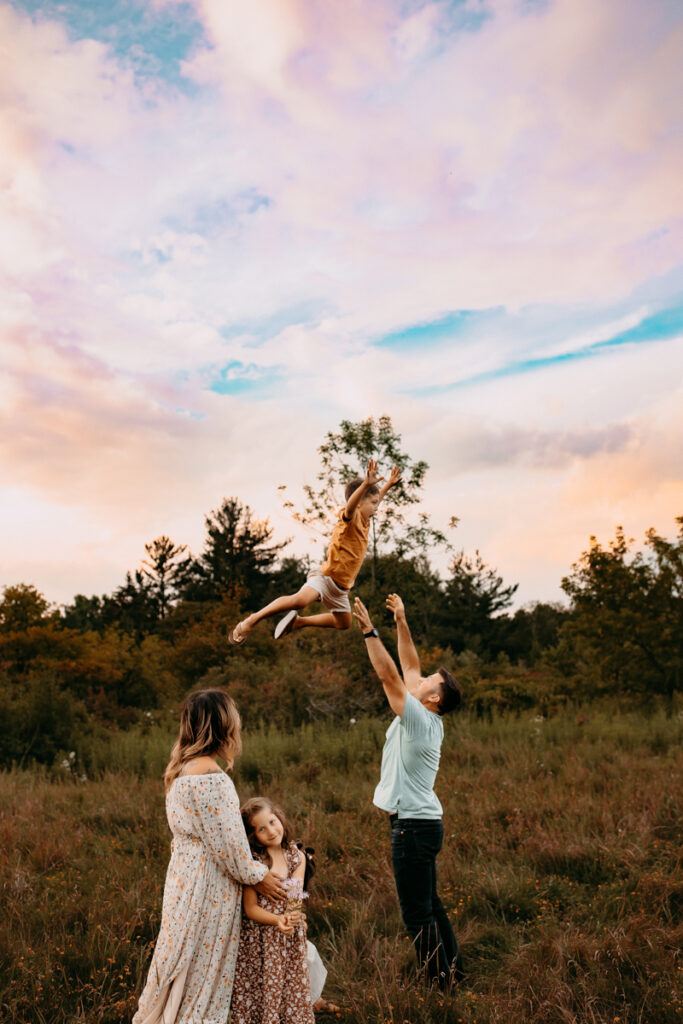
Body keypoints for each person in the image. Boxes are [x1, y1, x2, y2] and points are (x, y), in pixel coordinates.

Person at [132, 690, 287, 1024]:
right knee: (202, 976)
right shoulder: (213, 780)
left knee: (177, 963)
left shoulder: (181, 771)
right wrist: (260, 875)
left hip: (181, 882)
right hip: (208, 890)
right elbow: (230, 849)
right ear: (224, 727)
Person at [352, 593, 465, 988]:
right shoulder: (428, 715)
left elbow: (390, 675)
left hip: (413, 829)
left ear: (433, 698)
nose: (420, 679)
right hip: (424, 824)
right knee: (431, 905)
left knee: (418, 914)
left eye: (429, 682)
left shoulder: (418, 718)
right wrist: (402, 620)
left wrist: (369, 630)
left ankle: (439, 985)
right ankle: (452, 973)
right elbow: (410, 664)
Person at [228, 459, 401, 645]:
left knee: (343, 623)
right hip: (326, 578)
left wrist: (388, 485)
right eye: (374, 503)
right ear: (359, 502)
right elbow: (352, 505)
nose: (377, 506)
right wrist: (366, 484)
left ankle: (298, 622)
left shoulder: (365, 520)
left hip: (341, 589)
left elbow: (372, 500)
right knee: (301, 601)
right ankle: (251, 620)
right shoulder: (350, 518)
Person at [230, 797, 316, 1024]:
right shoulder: (255, 862)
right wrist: (278, 920)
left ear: (280, 818)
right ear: (252, 835)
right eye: (261, 828)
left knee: (290, 990)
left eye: (272, 821)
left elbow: (296, 897)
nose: (270, 831)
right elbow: (250, 909)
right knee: (263, 992)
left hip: (287, 939)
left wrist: (293, 916)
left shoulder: (296, 856)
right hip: (260, 941)